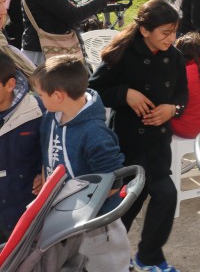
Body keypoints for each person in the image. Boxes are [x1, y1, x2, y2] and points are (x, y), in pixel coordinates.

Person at [88, 0, 187, 272]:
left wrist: (172, 109)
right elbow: (92, 89)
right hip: (128, 142)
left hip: (158, 142)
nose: (172, 38)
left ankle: (148, 256)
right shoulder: (122, 54)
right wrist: (124, 94)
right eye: (165, 32)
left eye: (174, 31)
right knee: (129, 202)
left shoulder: (175, 57)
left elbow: (182, 95)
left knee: (164, 195)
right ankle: (112, 257)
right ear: (145, 30)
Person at [34, 55, 130, 272]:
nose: (39, 99)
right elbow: (47, 151)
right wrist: (46, 179)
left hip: (95, 224)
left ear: (58, 96)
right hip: (64, 219)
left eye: (41, 95)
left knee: (106, 265)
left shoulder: (95, 134)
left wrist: (82, 209)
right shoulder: (52, 116)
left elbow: (113, 181)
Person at [0, 53, 42, 244]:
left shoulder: (38, 112)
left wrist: (45, 172)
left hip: (25, 218)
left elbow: (57, 151)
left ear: (10, 85)